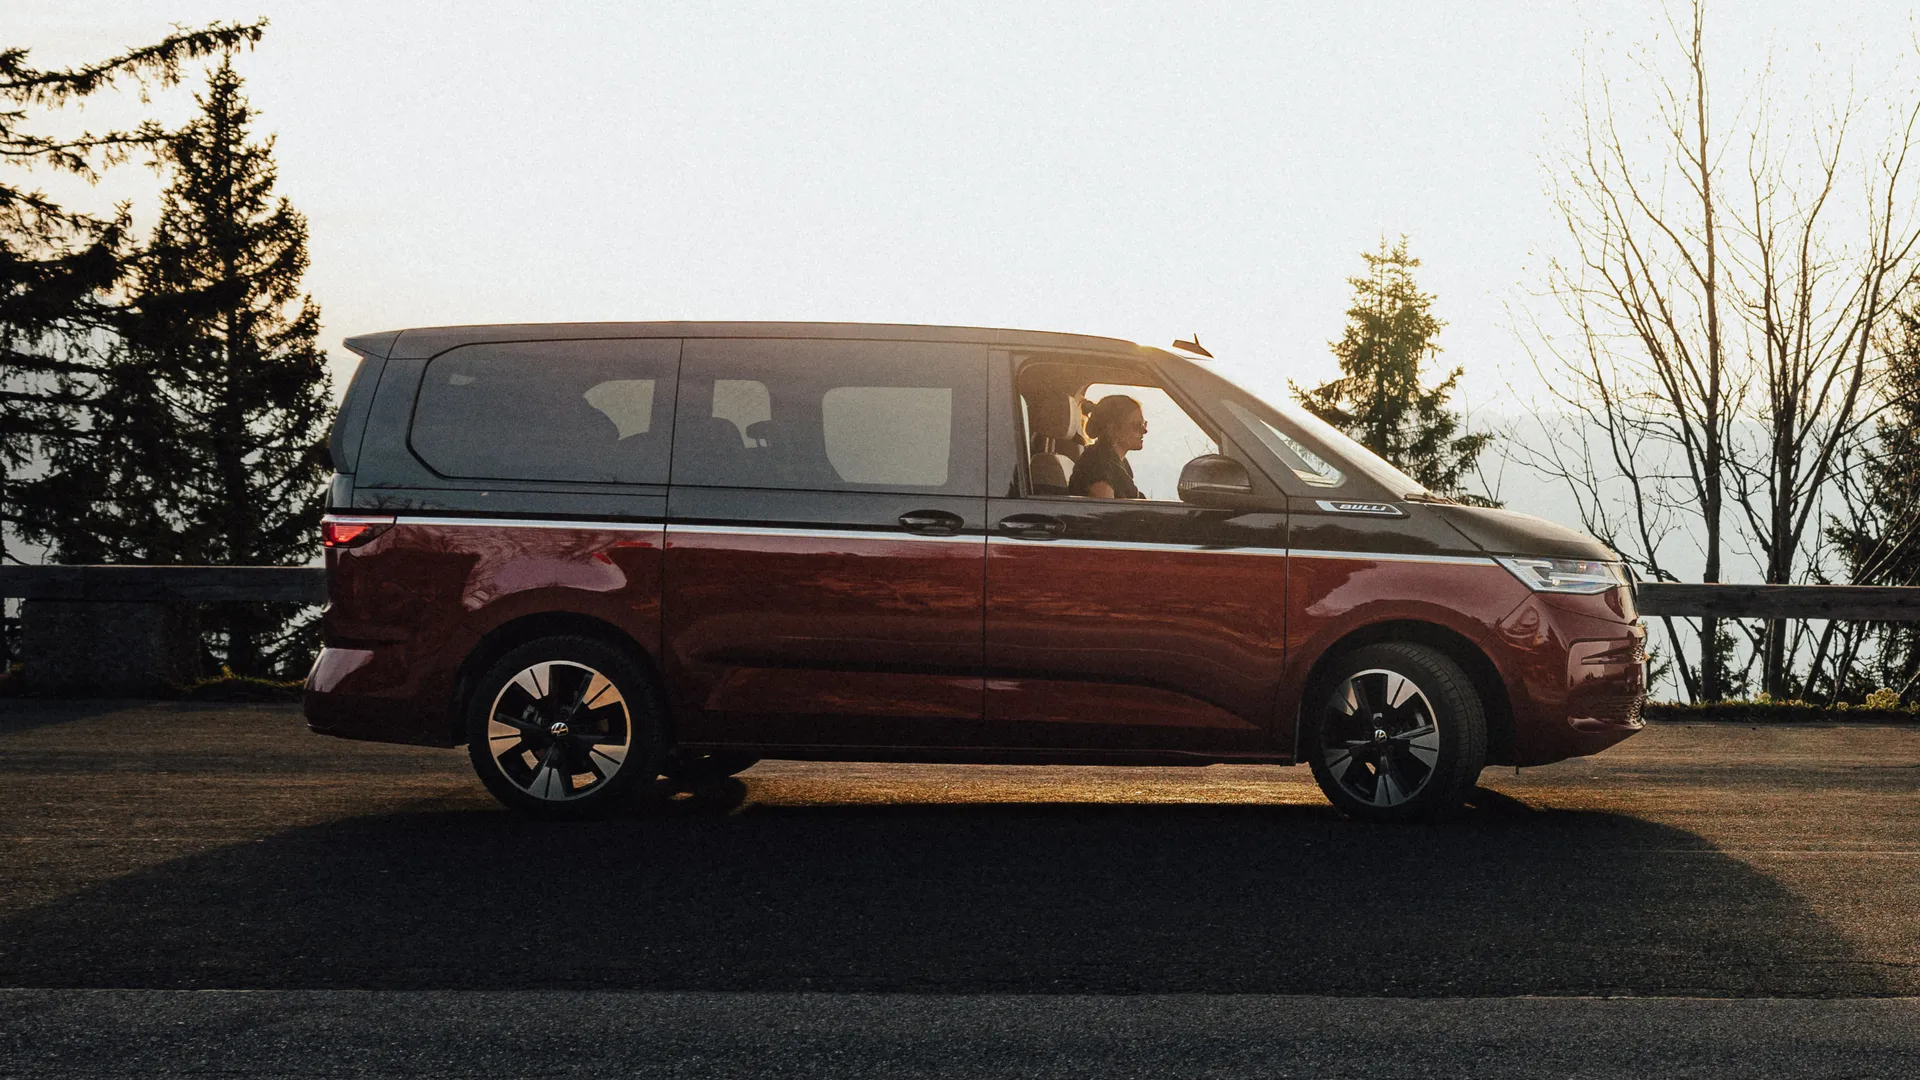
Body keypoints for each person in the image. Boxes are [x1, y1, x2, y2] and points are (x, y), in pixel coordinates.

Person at [1068, 394, 1146, 499]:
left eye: (1144, 424)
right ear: (1113, 429)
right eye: (1138, 425)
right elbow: (1106, 510)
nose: (1145, 431)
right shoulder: (1100, 467)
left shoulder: (1113, 461)